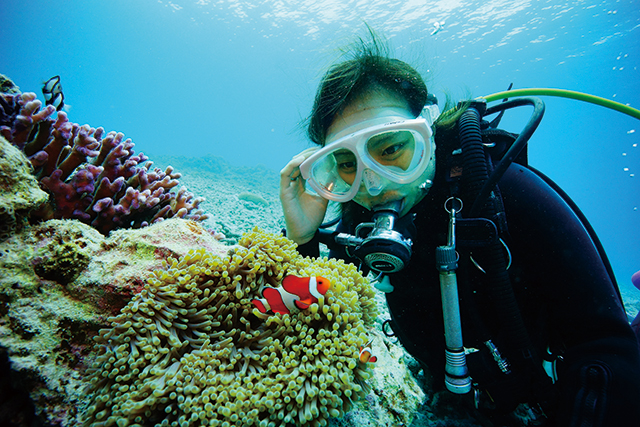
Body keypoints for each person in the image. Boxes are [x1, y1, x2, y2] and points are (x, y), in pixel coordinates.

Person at [279, 33, 640, 426]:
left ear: (427, 135)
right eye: (347, 164)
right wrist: (303, 237)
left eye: (391, 150)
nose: (375, 184)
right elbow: (304, 319)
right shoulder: (358, 223)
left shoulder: (507, 193)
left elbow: (606, 345)